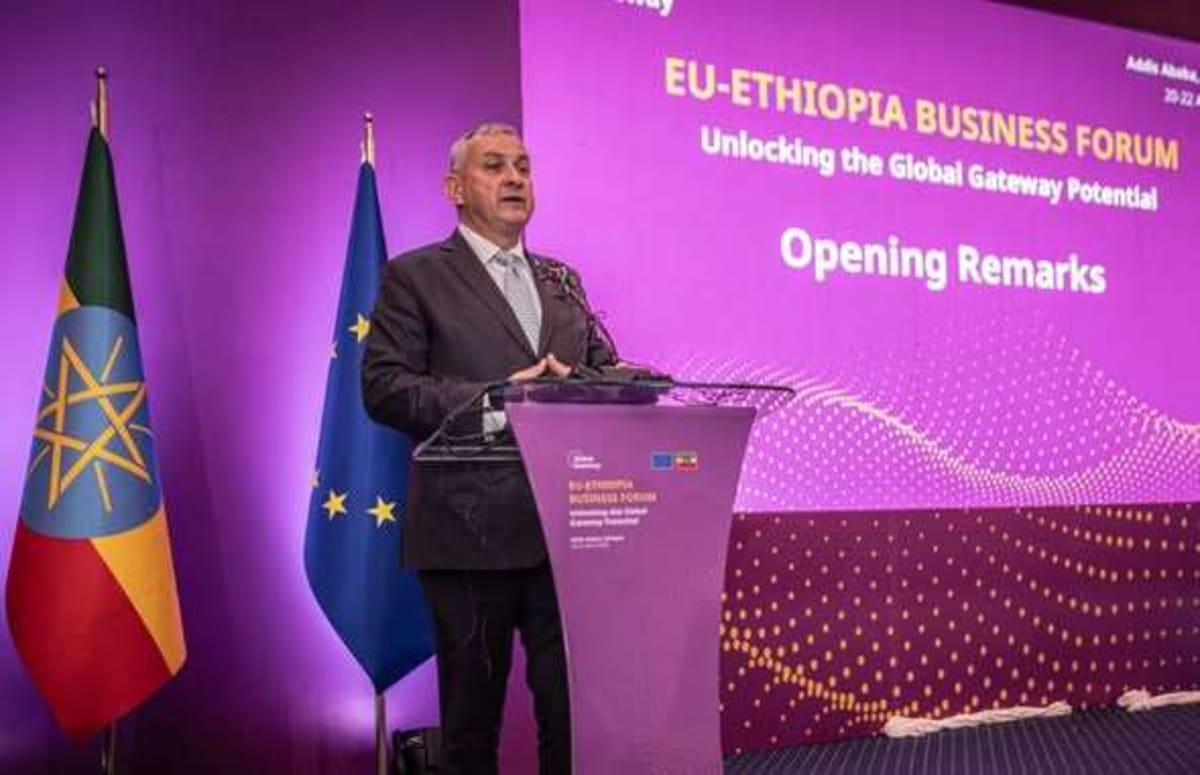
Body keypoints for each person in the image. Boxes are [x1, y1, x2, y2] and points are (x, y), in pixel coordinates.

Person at [362, 123, 616, 774]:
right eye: (495, 166)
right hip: (467, 529)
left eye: (524, 168)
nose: (514, 179)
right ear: (455, 188)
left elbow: (599, 369)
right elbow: (385, 388)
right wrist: (496, 398)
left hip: (566, 530)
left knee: (574, 716)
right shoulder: (414, 276)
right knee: (472, 726)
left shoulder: (561, 279)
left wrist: (608, 384)